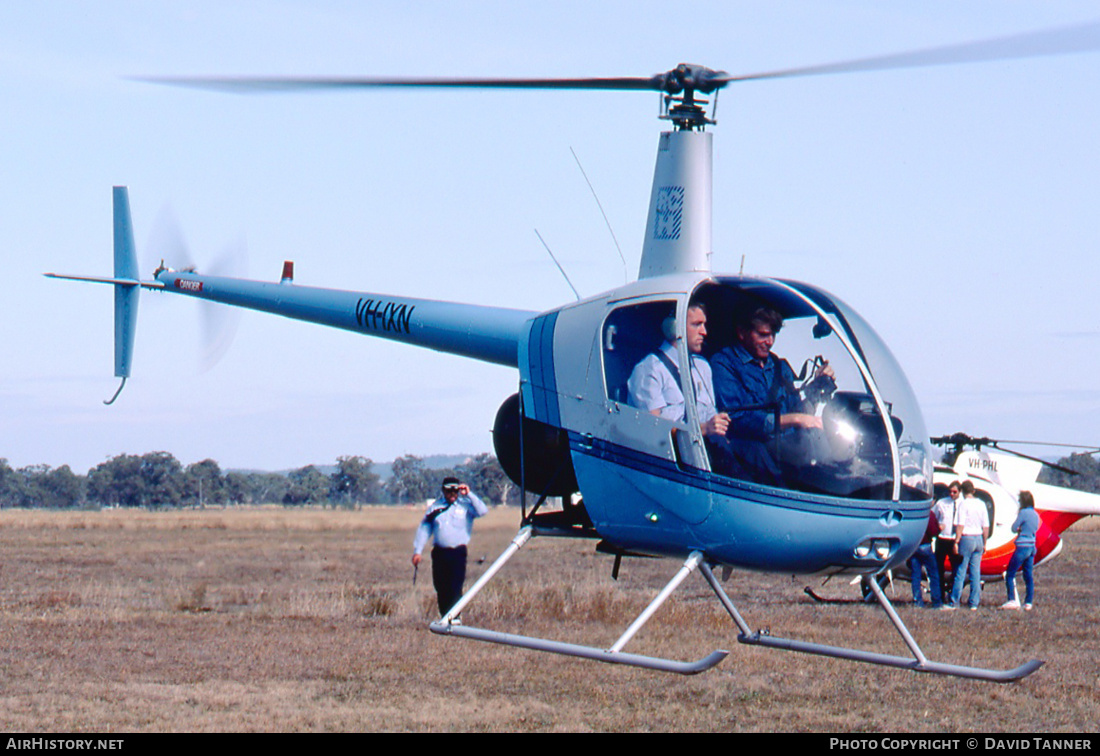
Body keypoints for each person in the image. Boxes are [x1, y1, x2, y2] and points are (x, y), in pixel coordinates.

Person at [710, 306, 836, 484]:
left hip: (787, 449)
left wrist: (817, 388)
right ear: (742, 332)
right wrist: (795, 419)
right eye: (763, 334)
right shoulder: (724, 364)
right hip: (754, 453)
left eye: (773, 335)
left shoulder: (779, 366)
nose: (769, 342)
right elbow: (735, 419)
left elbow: (796, 411)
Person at [627, 302, 730, 439]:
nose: (704, 332)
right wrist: (704, 428)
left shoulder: (702, 367)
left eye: (704, 325)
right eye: (696, 324)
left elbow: (710, 412)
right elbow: (655, 431)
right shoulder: (649, 370)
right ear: (674, 328)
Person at [411, 477, 488, 619]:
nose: (452, 494)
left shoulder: (466, 506)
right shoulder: (435, 507)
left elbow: (483, 511)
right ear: (443, 491)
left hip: (458, 553)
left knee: (455, 587)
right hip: (440, 553)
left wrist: (469, 494)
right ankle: (445, 617)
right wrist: (418, 551)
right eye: (448, 491)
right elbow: (424, 529)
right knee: (441, 587)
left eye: (455, 490)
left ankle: (454, 618)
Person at [945, 480, 989, 610]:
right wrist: (985, 542)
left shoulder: (963, 504)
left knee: (961, 571)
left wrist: (956, 541)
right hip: (979, 538)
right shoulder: (981, 504)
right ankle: (974, 603)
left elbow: (960, 525)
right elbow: (986, 526)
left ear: (962, 491)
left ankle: (954, 601)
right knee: (976, 572)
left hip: (967, 538)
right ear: (973, 491)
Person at [1002, 490, 1040, 610]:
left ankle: (1012, 599)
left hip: (1022, 546)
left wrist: (1019, 529)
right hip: (1032, 547)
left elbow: (1014, 527)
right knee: (1028, 575)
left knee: (1010, 574)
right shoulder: (1035, 514)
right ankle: (1028, 602)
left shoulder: (1023, 513)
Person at [932, 481, 962, 600]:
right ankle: (940, 595)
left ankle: (953, 593)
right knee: (939, 568)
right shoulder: (942, 503)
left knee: (956, 568)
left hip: (955, 540)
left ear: (960, 492)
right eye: (950, 492)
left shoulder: (963, 504)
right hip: (942, 539)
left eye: (955, 492)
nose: (952, 494)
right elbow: (934, 517)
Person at [907, 511, 942, 608]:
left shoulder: (912, 514)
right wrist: (939, 529)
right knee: (933, 574)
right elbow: (933, 531)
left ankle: (917, 601)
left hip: (914, 546)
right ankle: (936, 601)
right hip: (925, 546)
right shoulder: (929, 514)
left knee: (915, 576)